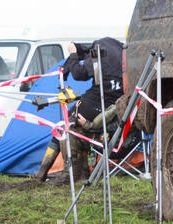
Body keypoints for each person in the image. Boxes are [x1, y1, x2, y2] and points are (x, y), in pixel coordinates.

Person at [34, 37, 124, 182]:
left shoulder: (99, 53)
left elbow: (78, 74)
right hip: (118, 104)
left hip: (97, 101)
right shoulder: (122, 54)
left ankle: (46, 170)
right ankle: (80, 172)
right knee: (76, 129)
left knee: (64, 126)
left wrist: (73, 54)